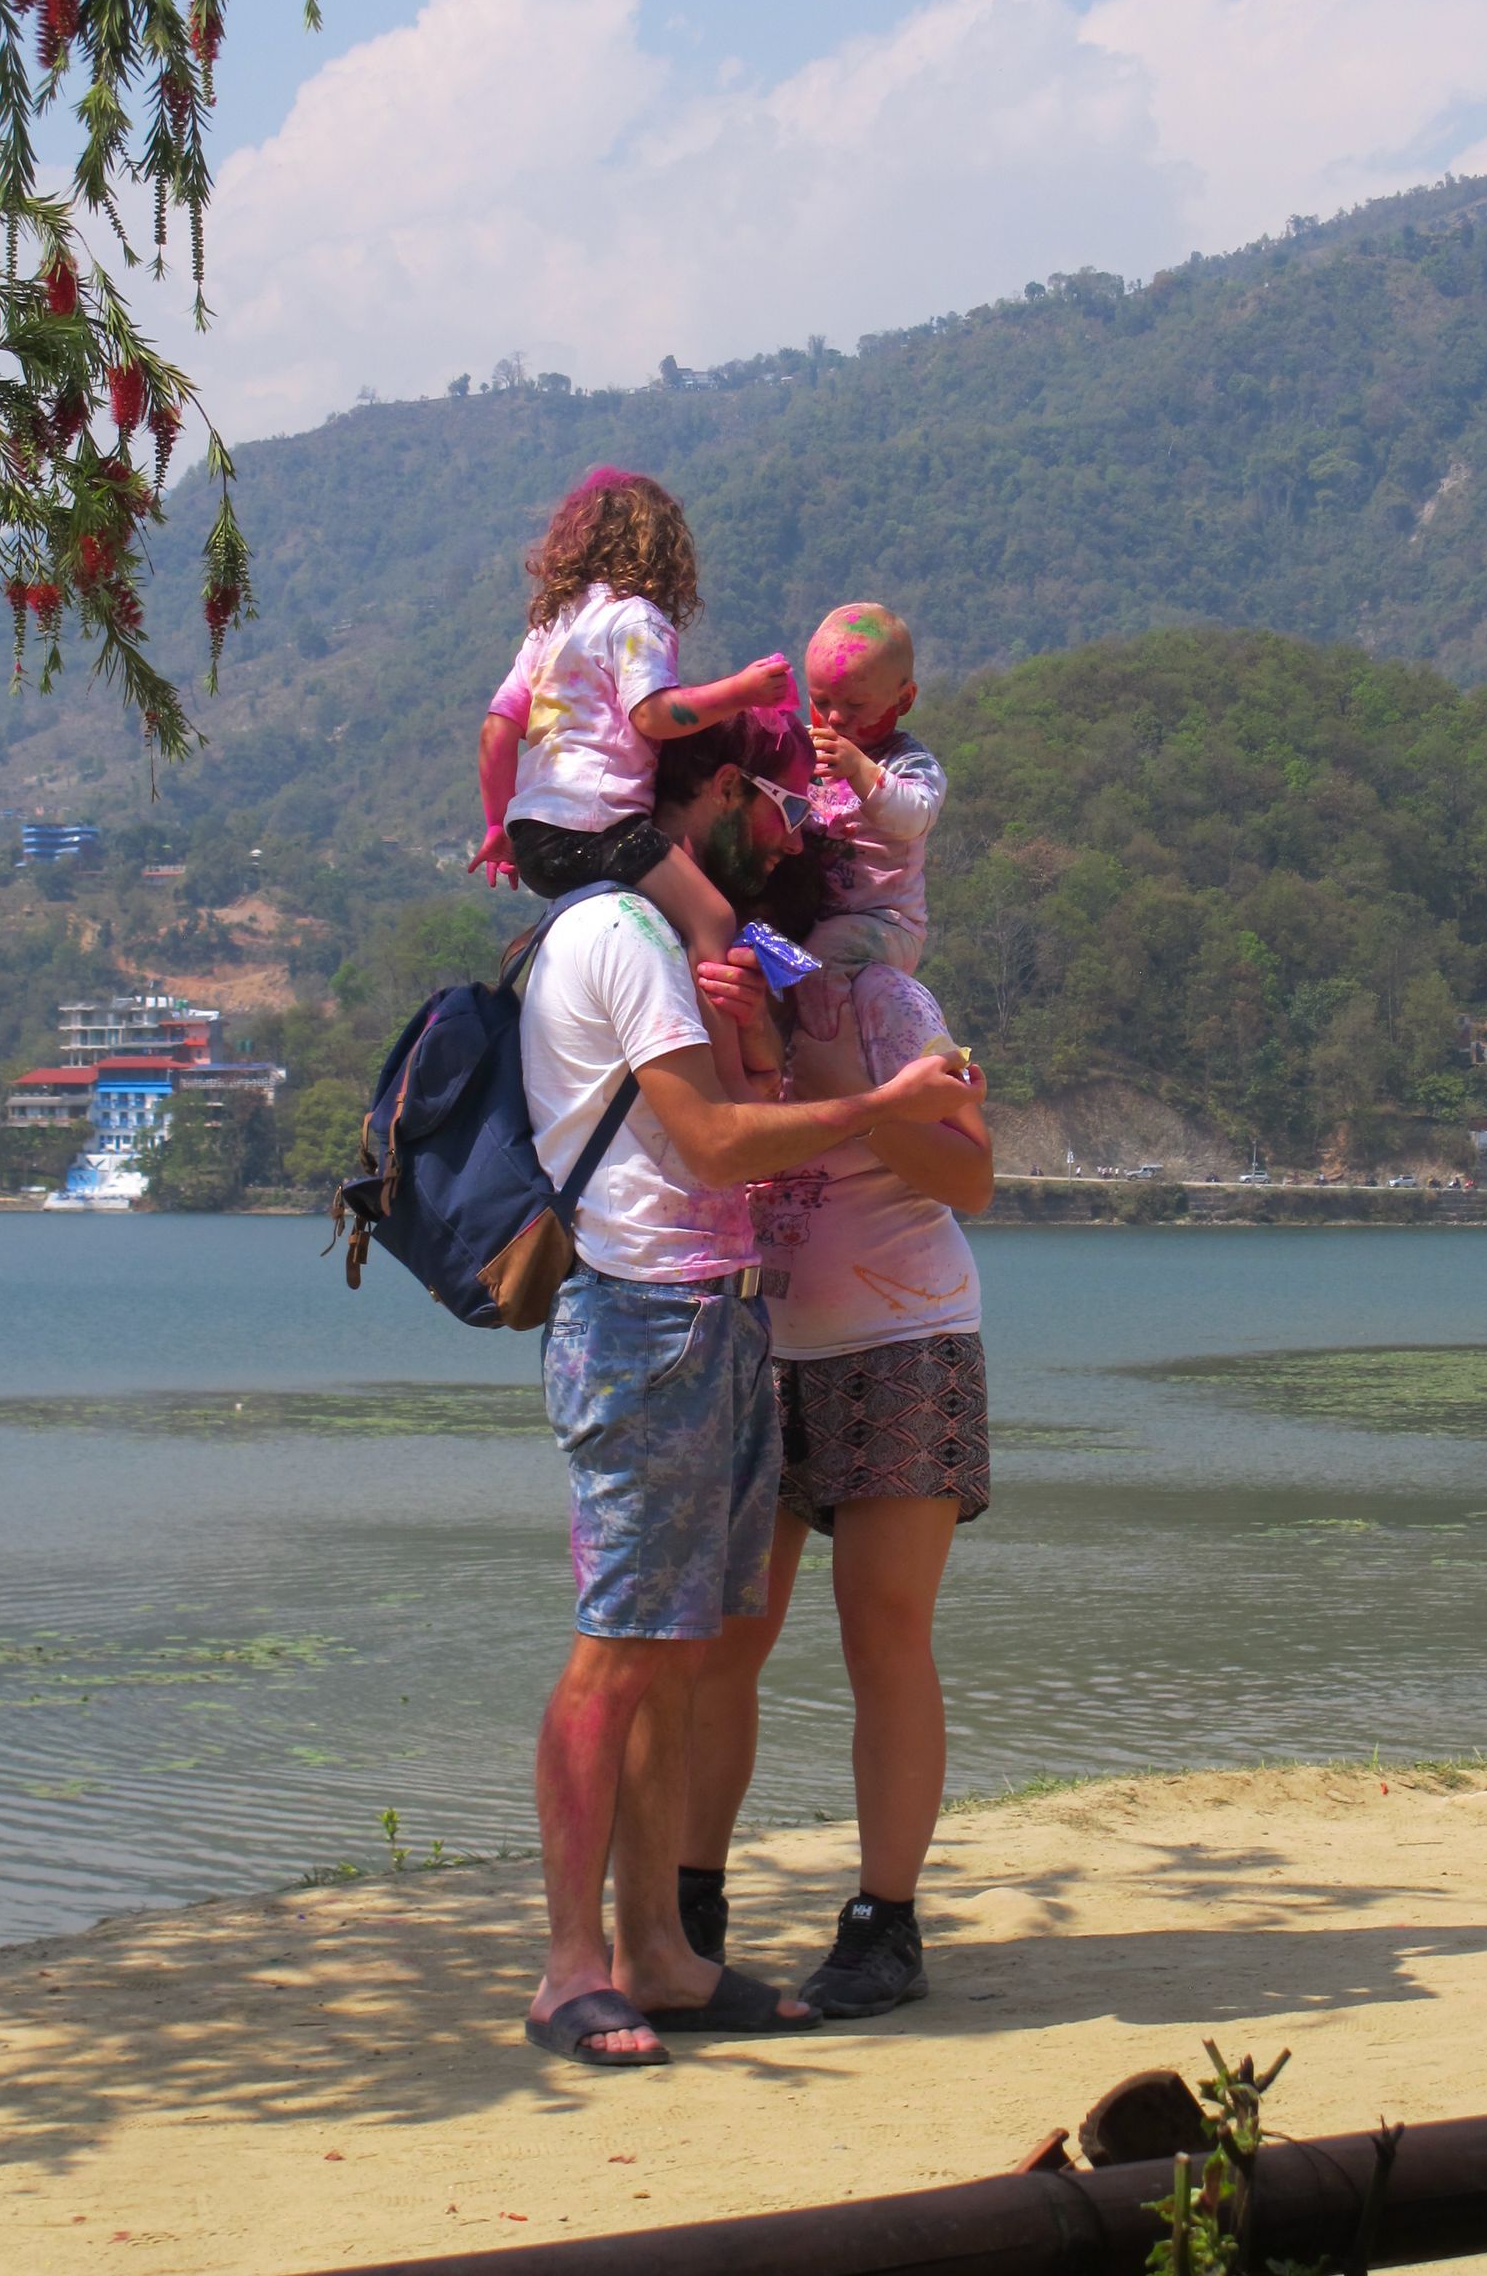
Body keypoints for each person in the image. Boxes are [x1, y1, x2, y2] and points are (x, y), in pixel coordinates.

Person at [518, 708, 976, 2067]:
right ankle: (572, 1966)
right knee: (626, 1649)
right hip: (652, 1323)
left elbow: (739, 1129)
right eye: (766, 800)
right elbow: (717, 1146)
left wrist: (794, 1059)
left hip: (729, 1324)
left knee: (679, 1652)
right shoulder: (626, 937)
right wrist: (870, 1102)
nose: (780, 826)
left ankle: (661, 1949)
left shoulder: (701, 954)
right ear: (714, 798)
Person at [683, 958, 993, 2018]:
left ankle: (884, 1922)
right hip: (754, 1340)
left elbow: (971, 1178)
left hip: (904, 1335)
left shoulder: (885, 1001)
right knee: (725, 1640)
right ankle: (689, 1908)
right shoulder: (694, 989)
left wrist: (831, 1081)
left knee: (885, 1631)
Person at [470, 468, 801, 1092]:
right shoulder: (636, 619)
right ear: (664, 551)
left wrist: (496, 825)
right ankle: (727, 1088)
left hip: (538, 839)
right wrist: (741, 691)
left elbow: (495, 732)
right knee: (712, 919)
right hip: (599, 826)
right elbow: (653, 713)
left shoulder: (548, 632)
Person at [799, 603, 947, 1037]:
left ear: (904, 700)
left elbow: (913, 817)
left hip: (885, 924)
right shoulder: (808, 756)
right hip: (818, 912)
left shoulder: (911, 762)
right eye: (820, 702)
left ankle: (821, 1056)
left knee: (820, 960)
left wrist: (862, 771)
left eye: (855, 704)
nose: (835, 718)